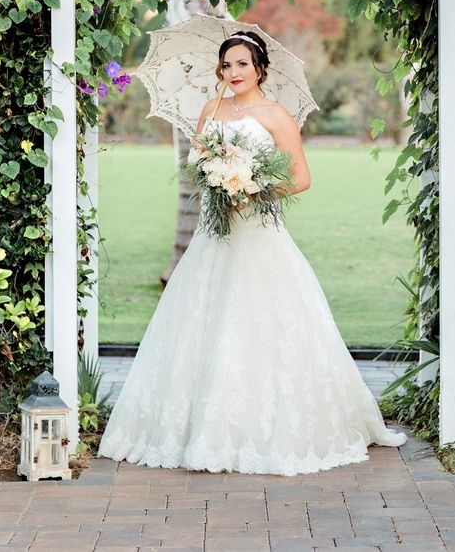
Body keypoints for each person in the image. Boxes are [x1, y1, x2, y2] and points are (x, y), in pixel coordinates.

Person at [98, 30, 406, 475]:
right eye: (227, 65)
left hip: (260, 232)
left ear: (260, 68)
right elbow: (197, 167)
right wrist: (217, 175)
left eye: (242, 64)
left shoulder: (277, 115)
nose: (234, 72)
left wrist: (253, 188)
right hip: (214, 235)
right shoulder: (210, 110)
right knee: (201, 320)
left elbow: (300, 178)